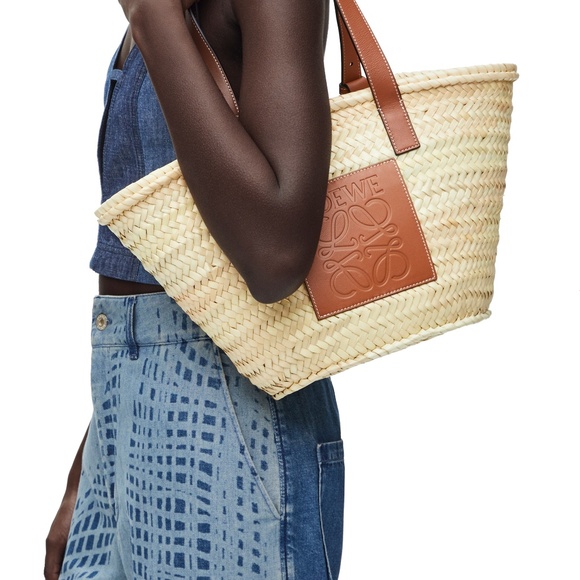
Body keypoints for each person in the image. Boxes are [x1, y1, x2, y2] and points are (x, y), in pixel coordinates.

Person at [44, 0, 344, 578]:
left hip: (233, 426)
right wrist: (94, 464)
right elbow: (166, 272)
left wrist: (152, 18)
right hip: (123, 425)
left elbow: (277, 256)